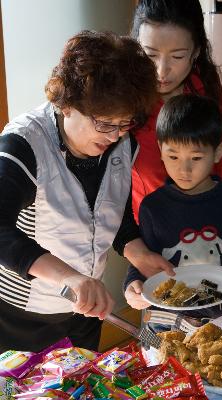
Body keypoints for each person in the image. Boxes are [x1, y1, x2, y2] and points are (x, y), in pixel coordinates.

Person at [0, 30, 175, 353]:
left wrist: (139, 254)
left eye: (125, 123)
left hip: (86, 312)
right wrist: (70, 277)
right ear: (66, 105)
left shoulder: (124, 141)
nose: (115, 135)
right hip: (22, 317)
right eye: (105, 123)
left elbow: (111, 210)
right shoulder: (24, 144)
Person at [124, 94, 222, 332]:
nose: (184, 169)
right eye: (173, 156)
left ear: (218, 153)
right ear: (160, 150)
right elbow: (142, 261)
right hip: (166, 322)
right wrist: (133, 285)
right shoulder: (152, 206)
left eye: (196, 158)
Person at [131, 0, 222, 223]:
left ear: (196, 51)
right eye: (150, 55)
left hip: (207, 223)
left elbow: (220, 157)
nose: (161, 71)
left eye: (177, 57)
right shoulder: (125, 94)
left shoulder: (204, 86)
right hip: (148, 228)